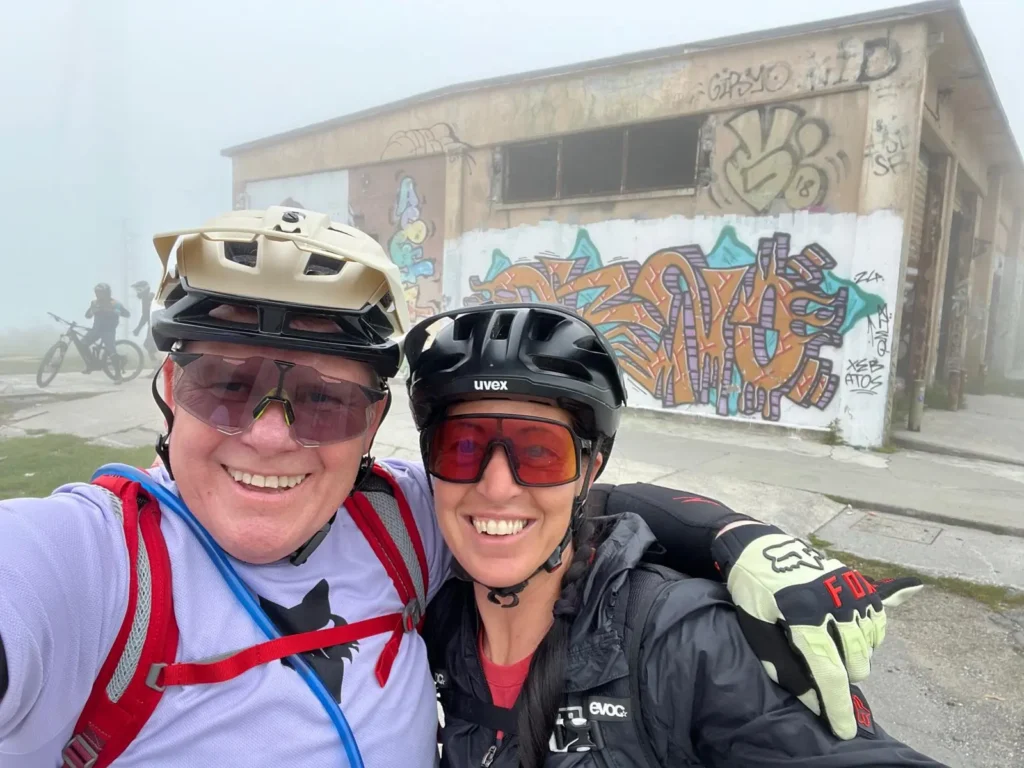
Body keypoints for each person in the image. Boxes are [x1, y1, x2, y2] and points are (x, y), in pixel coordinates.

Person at [0, 207, 917, 768]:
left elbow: (545, 511)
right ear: (169, 389)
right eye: (225, 384)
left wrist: (733, 536)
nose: (271, 433)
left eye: (323, 399)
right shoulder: (89, 563)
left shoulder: (396, 522)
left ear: (372, 423)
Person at [406, 302, 941, 767]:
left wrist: (735, 533)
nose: (497, 487)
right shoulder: (434, 620)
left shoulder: (682, 639)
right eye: (463, 448)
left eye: (540, 451)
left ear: (589, 472)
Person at [81, 282, 130, 377]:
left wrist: (112, 311)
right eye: (96, 292)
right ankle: (90, 364)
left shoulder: (114, 303)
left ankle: (118, 375)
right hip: (96, 330)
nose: (98, 294)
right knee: (83, 344)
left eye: (100, 292)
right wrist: (92, 310)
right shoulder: (94, 303)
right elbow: (87, 316)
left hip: (108, 331)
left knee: (111, 351)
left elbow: (127, 314)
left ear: (107, 293)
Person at [131, 279, 159, 364]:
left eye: (138, 290)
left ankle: (158, 363)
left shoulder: (149, 298)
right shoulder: (146, 298)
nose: (137, 292)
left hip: (155, 324)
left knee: (150, 344)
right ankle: (157, 364)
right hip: (153, 324)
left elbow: (146, 315)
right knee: (149, 345)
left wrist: (138, 329)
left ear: (143, 289)